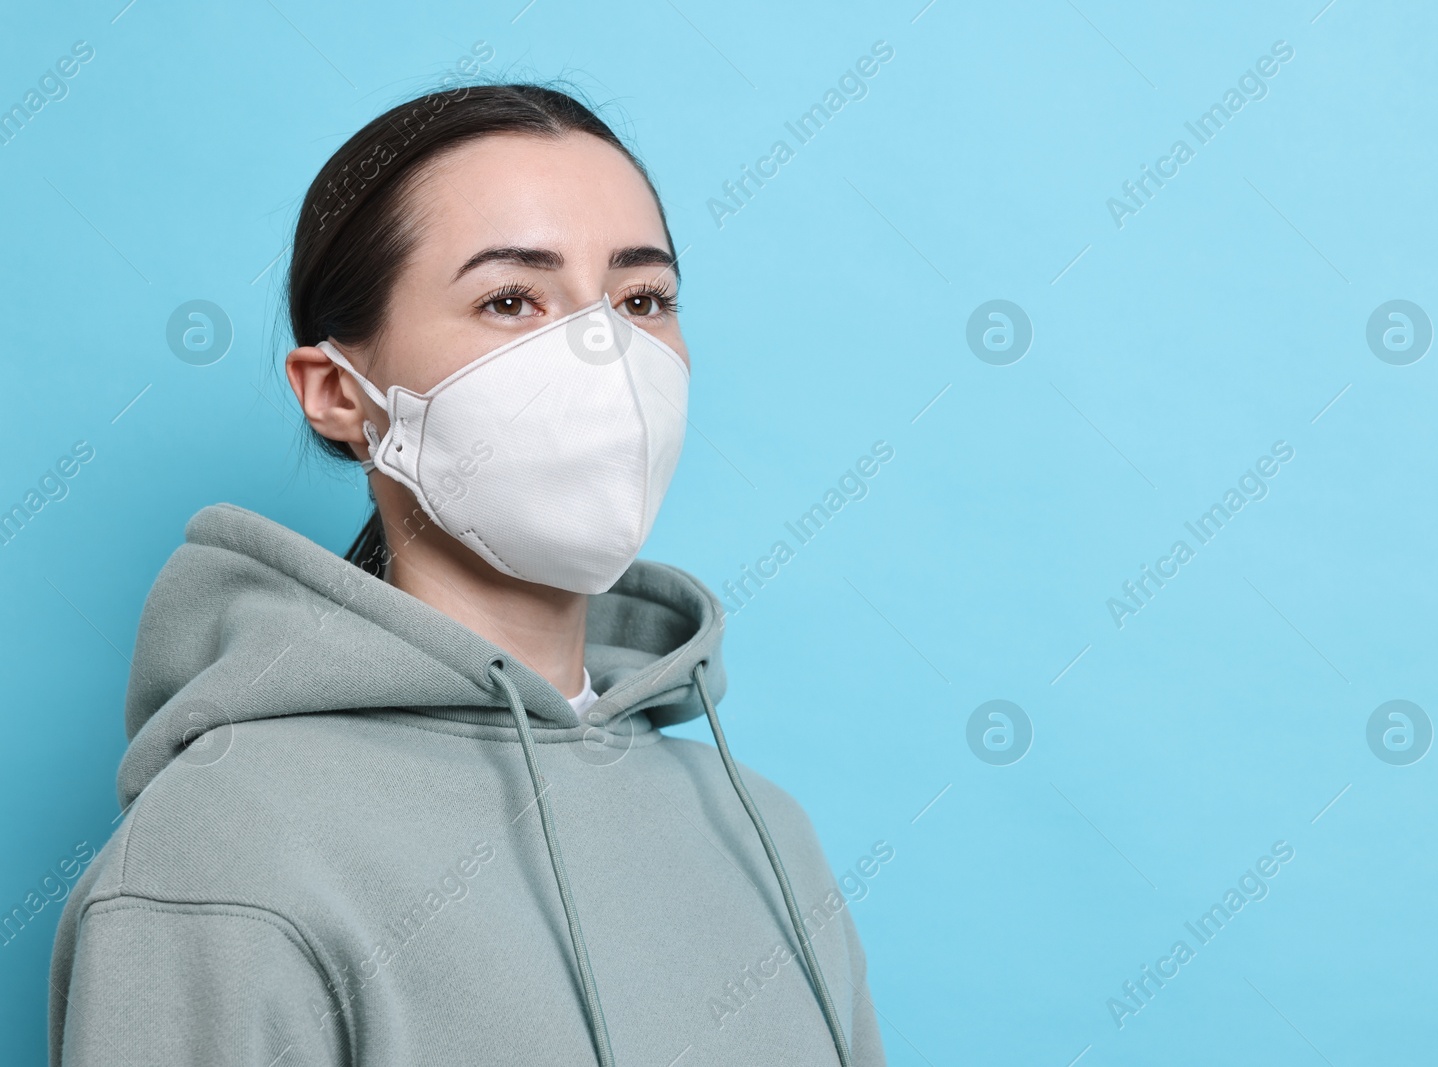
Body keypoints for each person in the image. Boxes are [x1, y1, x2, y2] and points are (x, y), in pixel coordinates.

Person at [47, 81, 884, 1067]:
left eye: (641, 298)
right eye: (509, 299)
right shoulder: (224, 850)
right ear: (337, 394)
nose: (605, 353)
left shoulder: (764, 833)